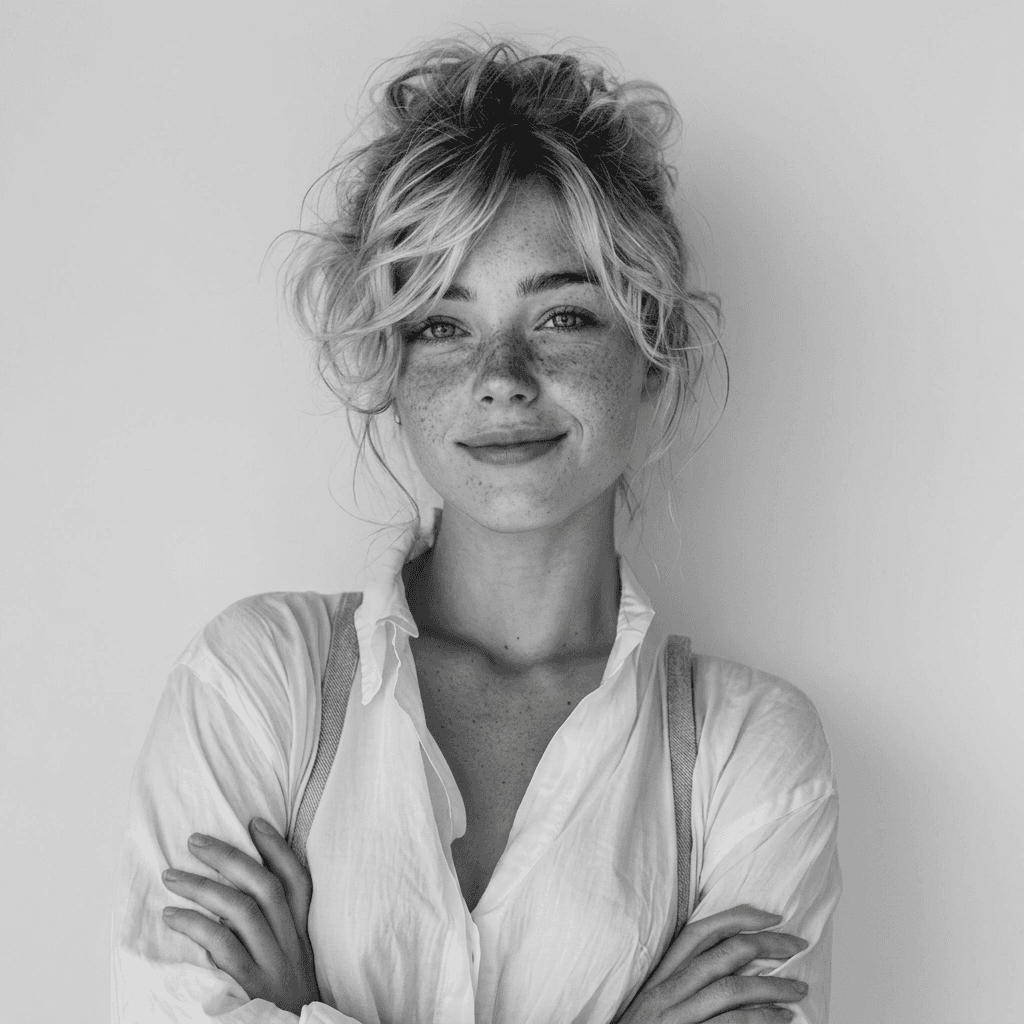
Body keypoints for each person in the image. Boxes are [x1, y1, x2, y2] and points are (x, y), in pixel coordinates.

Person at [110, 35, 841, 1024]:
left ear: (654, 360)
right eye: (442, 325)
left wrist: (299, 1008)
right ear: (392, 369)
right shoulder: (255, 685)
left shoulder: (749, 755)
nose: (501, 375)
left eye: (563, 317)